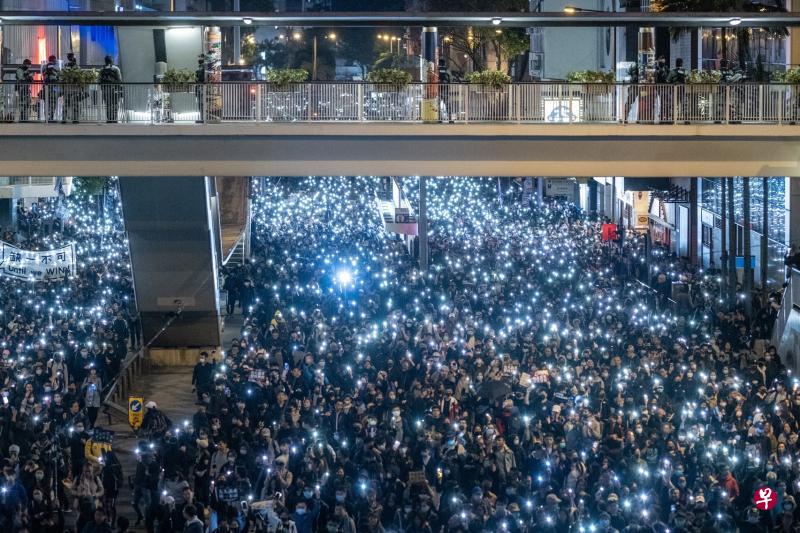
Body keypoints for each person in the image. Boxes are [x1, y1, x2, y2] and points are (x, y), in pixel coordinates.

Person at [99, 55, 123, 123]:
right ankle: (114, 119)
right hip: (115, 89)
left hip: (105, 90)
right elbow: (119, 80)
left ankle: (109, 119)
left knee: (108, 104)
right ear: (111, 60)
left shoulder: (102, 69)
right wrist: (120, 89)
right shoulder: (116, 69)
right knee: (115, 104)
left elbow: (99, 80)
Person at [41, 55, 60, 122]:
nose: (56, 61)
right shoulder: (56, 67)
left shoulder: (44, 66)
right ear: (54, 60)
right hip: (53, 87)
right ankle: (50, 117)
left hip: (46, 87)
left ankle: (47, 117)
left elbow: (43, 74)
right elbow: (58, 74)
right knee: (53, 102)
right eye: (55, 59)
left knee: (47, 102)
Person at [195, 55, 206, 123]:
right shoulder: (200, 67)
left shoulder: (202, 67)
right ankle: (202, 117)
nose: (198, 59)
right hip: (199, 87)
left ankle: (202, 118)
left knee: (201, 103)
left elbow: (200, 77)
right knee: (200, 103)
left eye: (199, 58)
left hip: (201, 87)